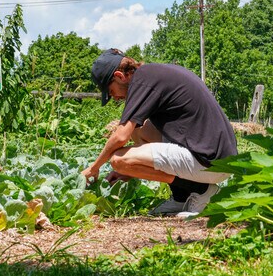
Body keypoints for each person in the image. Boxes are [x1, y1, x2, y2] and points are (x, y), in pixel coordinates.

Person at [81, 48, 237, 217]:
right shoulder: (151, 74)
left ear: (120, 76)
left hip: (211, 162)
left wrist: (94, 168)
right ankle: (181, 197)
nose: (115, 98)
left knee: (119, 160)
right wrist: (130, 171)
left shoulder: (142, 81)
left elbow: (120, 136)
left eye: (111, 91)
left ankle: (201, 189)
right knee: (140, 130)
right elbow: (135, 133)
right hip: (216, 155)